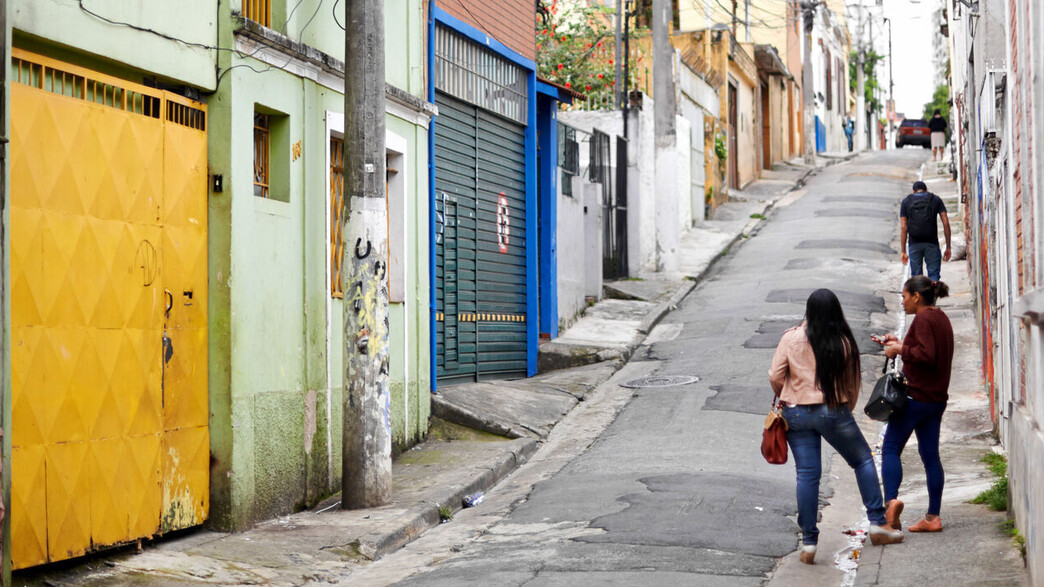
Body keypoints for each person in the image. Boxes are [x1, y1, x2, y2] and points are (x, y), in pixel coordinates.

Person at [769, 289, 904, 565]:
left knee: (807, 475)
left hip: (795, 413)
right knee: (863, 460)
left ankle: (808, 543)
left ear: (809, 310)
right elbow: (853, 383)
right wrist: (846, 408)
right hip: (832, 410)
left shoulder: (791, 337)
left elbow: (775, 375)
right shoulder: (843, 341)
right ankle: (878, 523)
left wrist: (789, 392)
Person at [875, 276, 954, 533]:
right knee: (930, 456)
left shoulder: (923, 319)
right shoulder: (940, 317)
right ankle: (933, 517)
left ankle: (891, 507)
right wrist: (898, 344)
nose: (902, 301)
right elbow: (925, 349)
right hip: (936, 400)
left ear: (917, 296)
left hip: (915, 399)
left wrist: (898, 351)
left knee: (890, 449)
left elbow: (926, 356)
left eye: (904, 296)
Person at [900, 181, 951, 281]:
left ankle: (920, 296)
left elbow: (903, 227)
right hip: (932, 242)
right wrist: (948, 246)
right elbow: (945, 222)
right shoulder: (935, 199)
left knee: (917, 278)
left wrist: (903, 251)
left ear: (913, 191)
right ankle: (932, 295)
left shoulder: (906, 201)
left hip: (914, 243)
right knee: (934, 275)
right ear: (926, 190)